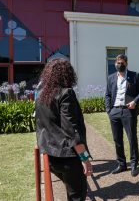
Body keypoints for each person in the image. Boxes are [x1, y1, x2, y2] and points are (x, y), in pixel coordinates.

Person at [35, 58, 92, 201]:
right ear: (67, 74)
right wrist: (85, 159)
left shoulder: (41, 94)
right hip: (67, 158)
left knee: (72, 189)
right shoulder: (66, 93)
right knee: (77, 195)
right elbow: (71, 131)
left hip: (50, 156)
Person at [105, 54, 139, 177]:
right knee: (117, 140)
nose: (119, 65)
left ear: (126, 63)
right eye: (117, 63)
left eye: (121, 63)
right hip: (115, 111)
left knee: (132, 138)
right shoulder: (111, 78)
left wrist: (135, 102)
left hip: (129, 111)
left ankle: (133, 165)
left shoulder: (134, 76)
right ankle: (121, 164)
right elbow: (107, 95)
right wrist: (109, 110)